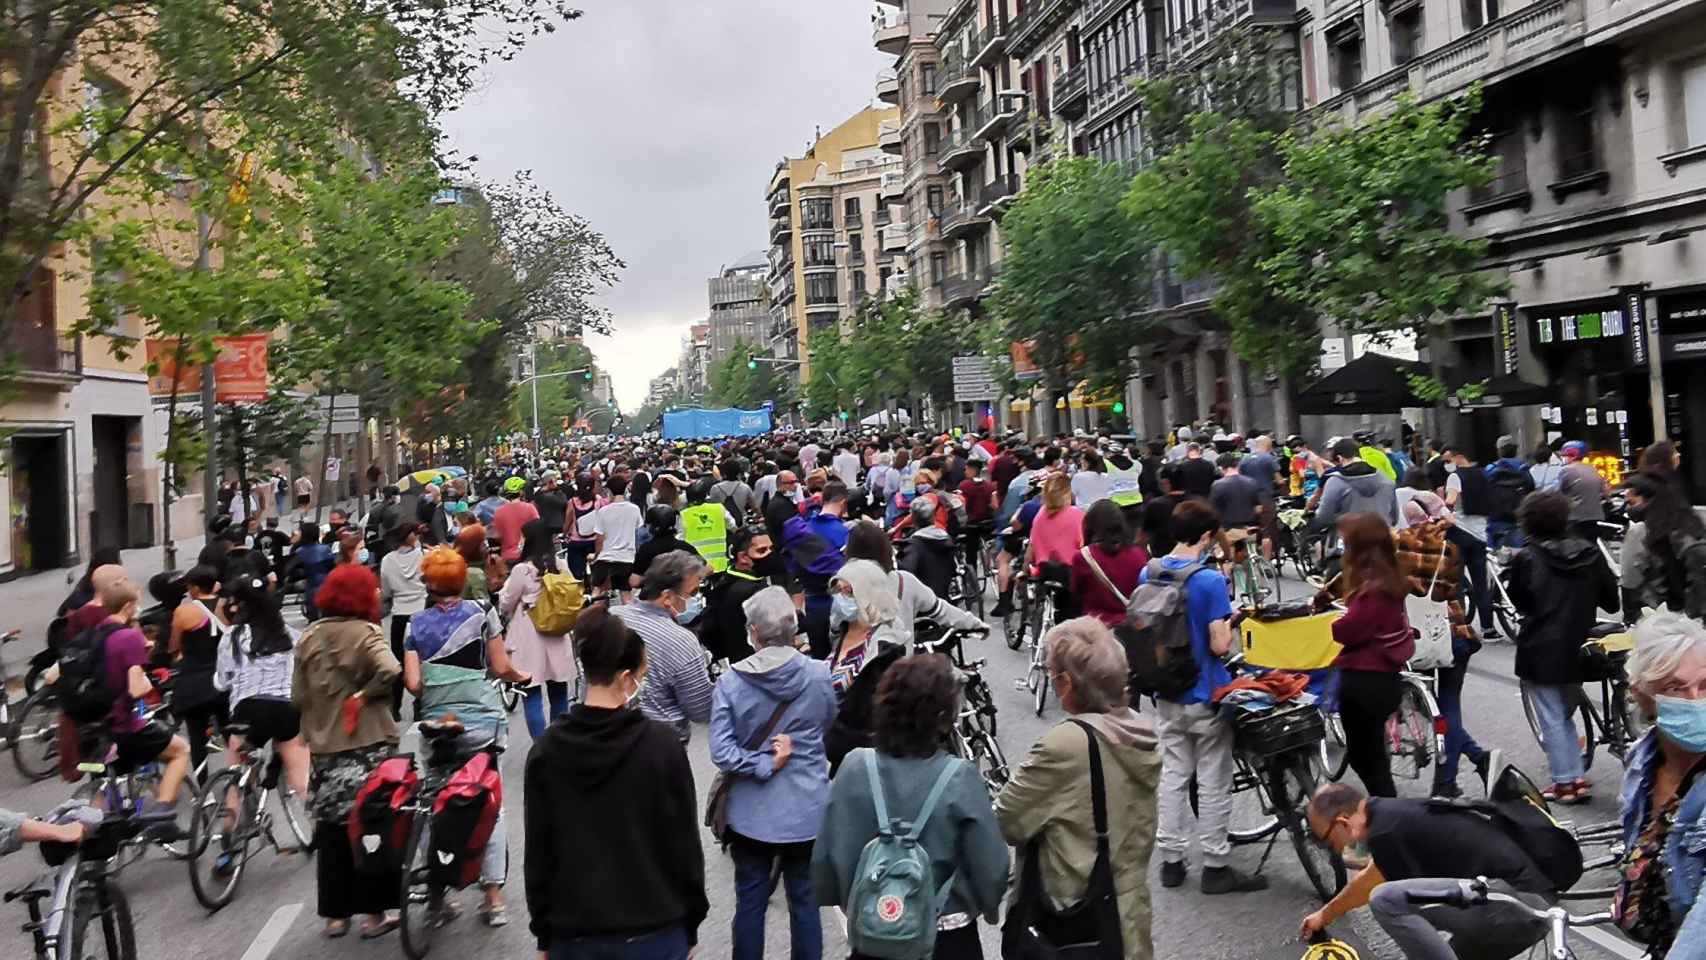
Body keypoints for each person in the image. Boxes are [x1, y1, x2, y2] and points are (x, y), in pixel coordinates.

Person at [524, 605, 707, 960]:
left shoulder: (548, 750)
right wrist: (691, 921)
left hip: (575, 931)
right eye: (642, 674)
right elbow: (683, 843)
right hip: (656, 925)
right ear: (627, 679)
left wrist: (544, 934)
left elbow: (540, 850)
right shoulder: (661, 744)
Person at [812, 653, 1010, 959]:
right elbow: (992, 868)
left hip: (875, 926)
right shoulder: (960, 778)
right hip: (946, 936)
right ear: (943, 718)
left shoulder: (853, 767)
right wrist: (983, 903)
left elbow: (828, 852)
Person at [996, 618, 1160, 960]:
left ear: (1067, 683)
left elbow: (1009, 820)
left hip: (1077, 915)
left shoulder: (1068, 744)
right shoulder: (1138, 730)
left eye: (1053, 674)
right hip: (1129, 905)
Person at [1143, 500, 1266, 893]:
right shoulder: (1209, 580)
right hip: (1204, 692)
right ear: (1208, 535)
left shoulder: (1151, 571)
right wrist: (1230, 620)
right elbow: (1218, 645)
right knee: (1213, 779)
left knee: (1174, 775)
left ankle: (1171, 861)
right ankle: (1215, 864)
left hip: (1166, 691)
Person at [710, 586, 837, 960]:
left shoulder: (731, 682)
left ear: (752, 632)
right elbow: (827, 720)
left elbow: (721, 751)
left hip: (751, 814)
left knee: (750, 901)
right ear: (793, 629)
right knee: (806, 901)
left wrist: (762, 763)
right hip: (808, 809)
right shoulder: (818, 675)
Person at [404, 547, 528, 925]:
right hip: (482, 725)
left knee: (433, 803)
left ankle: (436, 895)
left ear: (428, 583)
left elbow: (413, 683)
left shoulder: (414, 624)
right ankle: (493, 898)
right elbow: (501, 666)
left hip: (437, 726)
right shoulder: (481, 614)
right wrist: (520, 677)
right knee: (488, 803)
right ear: (461, 581)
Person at [1298, 782, 1553, 960]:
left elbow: (1375, 886)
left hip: (1519, 907)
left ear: (1342, 822)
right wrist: (1326, 914)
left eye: (1327, 840)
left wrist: (1326, 914)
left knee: (1386, 901)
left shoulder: (1386, 833)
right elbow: (1373, 874)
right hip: (1522, 899)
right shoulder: (1389, 813)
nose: (1334, 848)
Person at [292, 564, 402, 938]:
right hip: (366, 745)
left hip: (325, 748)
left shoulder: (309, 637)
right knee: (371, 828)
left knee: (333, 832)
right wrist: (364, 695)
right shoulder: (366, 633)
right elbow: (390, 668)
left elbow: (297, 696)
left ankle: (336, 916)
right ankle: (375, 915)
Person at [1507, 489, 1619, 804]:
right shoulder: (1590, 552)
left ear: (1528, 521)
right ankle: (1575, 776)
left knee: (1553, 716)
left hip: (1540, 647)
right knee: (1565, 713)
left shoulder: (1527, 557)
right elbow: (1611, 601)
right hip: (1581, 646)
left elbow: (1521, 601)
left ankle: (1566, 782)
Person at [1614, 611, 1706, 956]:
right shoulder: (1642, 760)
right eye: (1674, 688)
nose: (1695, 701)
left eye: (1705, 685)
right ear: (1642, 695)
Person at [90, 565, 192, 833]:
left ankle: (90, 836)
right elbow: (136, 689)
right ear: (128, 606)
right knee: (180, 750)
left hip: (95, 725)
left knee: (108, 778)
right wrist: (152, 681)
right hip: (124, 724)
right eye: (135, 605)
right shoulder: (128, 638)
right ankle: (161, 814)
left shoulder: (94, 634)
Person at [1323, 513, 1414, 799]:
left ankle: (1387, 817)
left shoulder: (1374, 589)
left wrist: (1334, 624)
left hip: (1364, 681)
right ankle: (1386, 812)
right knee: (1373, 757)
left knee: (1367, 759)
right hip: (1384, 678)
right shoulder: (1390, 577)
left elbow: (1351, 630)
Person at [214, 573, 310, 805]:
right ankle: (318, 828)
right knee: (300, 776)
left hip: (248, 708)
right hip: (286, 707)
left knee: (236, 765)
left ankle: (231, 828)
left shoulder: (233, 636)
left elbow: (222, 682)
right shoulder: (287, 634)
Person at [611, 551, 715, 743]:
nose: (696, 597)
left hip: (610, 734)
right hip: (661, 743)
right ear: (667, 597)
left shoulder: (612, 617)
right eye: (692, 592)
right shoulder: (681, 640)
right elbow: (701, 710)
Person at [842, 520, 984, 654]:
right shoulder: (905, 581)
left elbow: (836, 632)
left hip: (863, 671)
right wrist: (974, 624)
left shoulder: (845, 588)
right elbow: (942, 610)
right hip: (902, 666)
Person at [501, 520, 579, 739]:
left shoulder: (522, 570)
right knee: (558, 690)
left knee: (531, 691)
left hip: (528, 632)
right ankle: (559, 740)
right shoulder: (560, 564)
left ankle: (540, 745)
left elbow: (507, 602)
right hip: (556, 630)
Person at [168, 564, 228, 774]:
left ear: (194, 588)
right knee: (233, 734)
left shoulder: (184, 611)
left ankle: (206, 791)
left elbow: (173, 646)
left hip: (195, 682)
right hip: (224, 680)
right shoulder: (227, 605)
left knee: (196, 737)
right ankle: (242, 780)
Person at [783, 480, 852, 659]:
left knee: (821, 658)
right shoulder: (844, 534)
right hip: (842, 607)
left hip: (812, 605)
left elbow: (792, 568)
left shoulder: (802, 530)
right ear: (844, 502)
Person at [1626, 470, 1706, 620]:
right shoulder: (1694, 520)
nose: (1628, 509)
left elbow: (1630, 581)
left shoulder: (1641, 531)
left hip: (1670, 618)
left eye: (1632, 503)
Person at [701, 525, 785, 665]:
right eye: (762, 550)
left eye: (771, 549)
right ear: (743, 557)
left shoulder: (725, 580)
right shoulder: (752, 591)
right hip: (756, 664)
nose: (770, 555)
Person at [1070, 500, 1148, 628]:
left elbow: (1076, 591)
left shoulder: (1084, 557)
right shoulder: (1138, 554)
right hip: (1130, 628)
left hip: (1095, 630)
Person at [378, 523, 426, 718]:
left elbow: (386, 590)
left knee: (399, 661)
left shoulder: (387, 560)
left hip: (399, 613)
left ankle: (395, 706)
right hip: (420, 611)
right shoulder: (422, 557)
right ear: (412, 537)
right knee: (422, 661)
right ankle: (420, 702)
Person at [1316, 437, 1398, 528]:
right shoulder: (1386, 479)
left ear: (1339, 458)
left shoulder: (1336, 482)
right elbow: (1394, 517)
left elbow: (1324, 518)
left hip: (1350, 539)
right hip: (1383, 537)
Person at [589, 475, 644, 603]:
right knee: (625, 595)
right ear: (626, 490)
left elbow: (599, 539)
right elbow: (638, 531)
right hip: (627, 558)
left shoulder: (603, 511)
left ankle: (591, 618)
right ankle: (628, 622)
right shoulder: (634, 509)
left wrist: (596, 556)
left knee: (597, 592)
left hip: (605, 557)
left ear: (609, 491)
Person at [899, 496, 958, 601]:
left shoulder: (914, 545)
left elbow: (907, 573)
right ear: (933, 516)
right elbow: (953, 569)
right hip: (945, 597)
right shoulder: (946, 539)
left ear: (913, 519)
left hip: (924, 602)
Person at [1486, 439, 1536, 550]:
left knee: (1495, 555)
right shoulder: (1523, 468)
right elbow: (1531, 489)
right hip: (1519, 518)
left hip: (1496, 519)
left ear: (1499, 451)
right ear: (1515, 450)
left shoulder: (1490, 469)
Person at [632, 504, 700, 587]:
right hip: (683, 596)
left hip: (655, 597)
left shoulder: (646, 550)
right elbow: (706, 569)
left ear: (652, 526)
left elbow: (634, 581)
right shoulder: (686, 547)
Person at [1557, 440, 1610, 543]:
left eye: (1565, 455)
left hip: (1576, 518)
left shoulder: (1566, 470)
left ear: (1572, 455)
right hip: (1595, 516)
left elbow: (1559, 493)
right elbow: (1605, 492)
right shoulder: (1592, 469)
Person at [290, 522, 337, 621]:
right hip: (326, 583)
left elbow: (291, 571)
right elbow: (333, 566)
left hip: (310, 584)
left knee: (313, 616)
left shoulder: (299, 552)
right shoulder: (325, 549)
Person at [563, 475, 604, 581]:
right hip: (594, 541)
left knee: (576, 573)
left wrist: (564, 534)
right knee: (597, 571)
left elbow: (567, 523)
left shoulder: (572, 502)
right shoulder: (598, 500)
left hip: (576, 542)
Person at [491, 477, 540, 565]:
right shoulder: (530, 508)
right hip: (528, 557)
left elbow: (497, 536)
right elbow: (538, 531)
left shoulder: (498, 512)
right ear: (521, 492)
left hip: (507, 557)